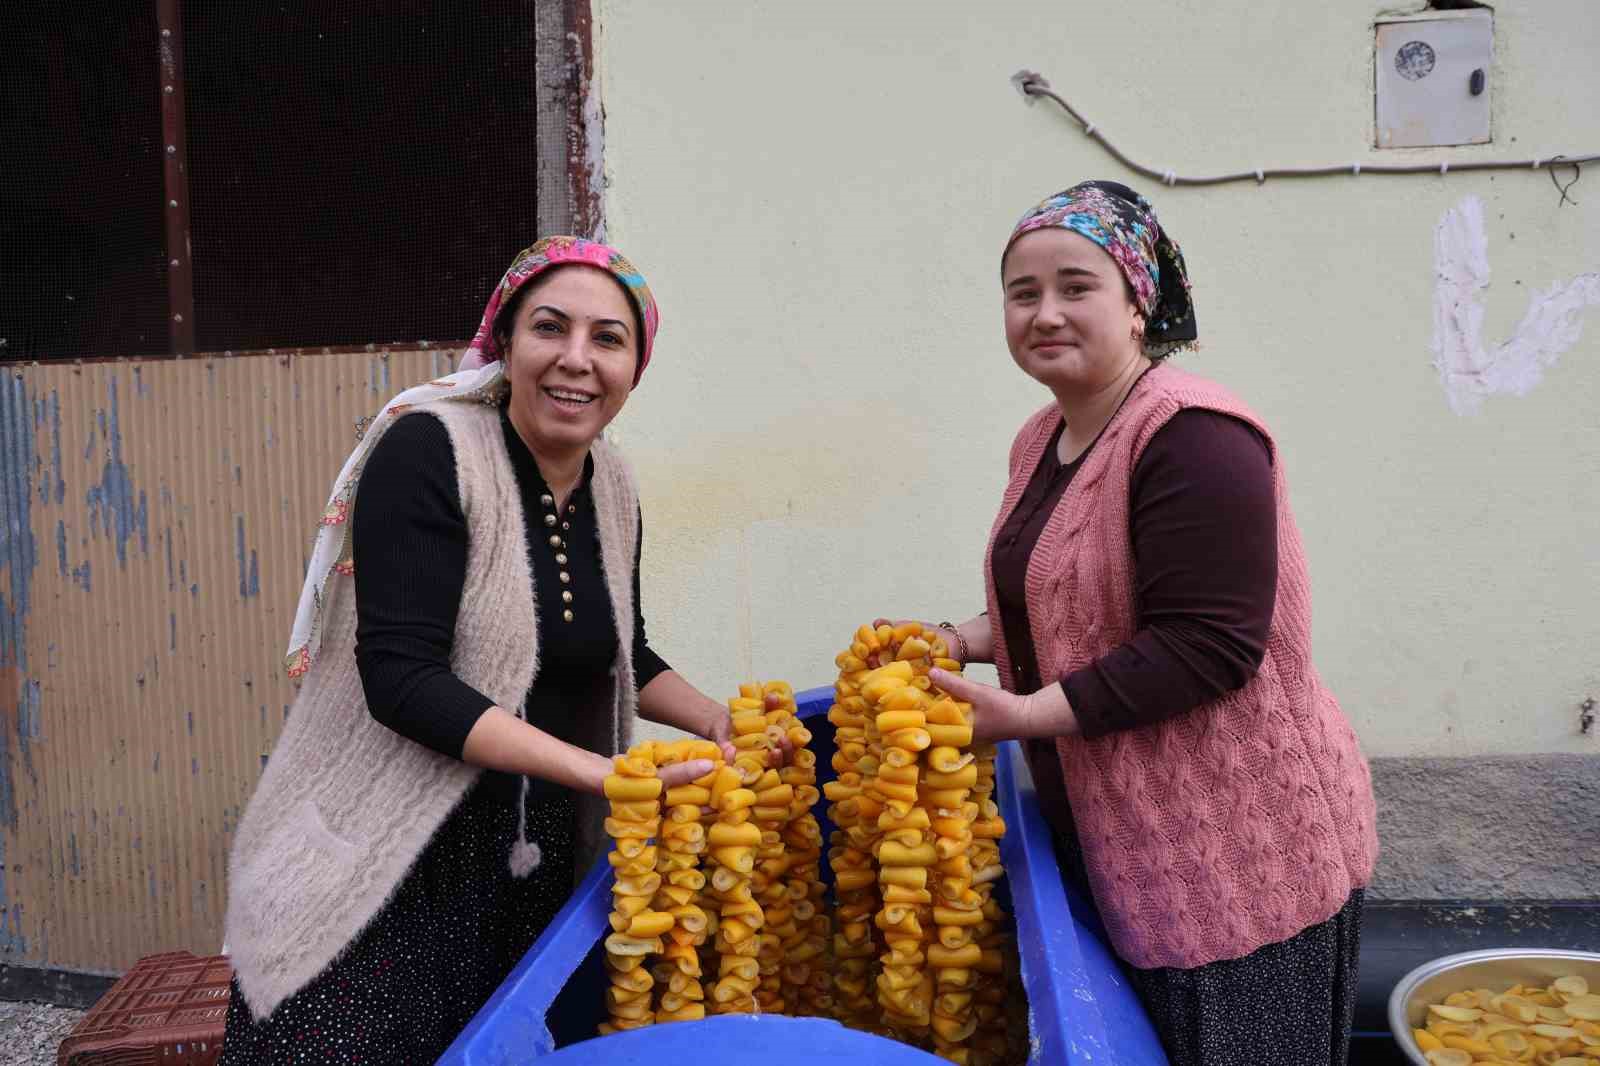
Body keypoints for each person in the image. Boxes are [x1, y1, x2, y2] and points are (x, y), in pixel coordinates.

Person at [220, 236, 746, 1062]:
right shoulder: (430, 450)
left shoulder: (613, 483)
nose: (576, 360)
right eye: (550, 327)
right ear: (506, 340)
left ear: (635, 367)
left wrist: (719, 720)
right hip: (386, 866)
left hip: (519, 863)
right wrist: (601, 774)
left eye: (608, 338)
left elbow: (622, 653)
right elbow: (401, 679)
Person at [897, 181, 1378, 1066]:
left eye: (1076, 286)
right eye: (1022, 292)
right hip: (1129, 847)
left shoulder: (1194, 433)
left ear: (1136, 302)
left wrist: (1028, 714)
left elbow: (1209, 644)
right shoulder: (1044, 436)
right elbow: (1059, 601)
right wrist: (957, 640)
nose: (1045, 312)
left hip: (1237, 860)